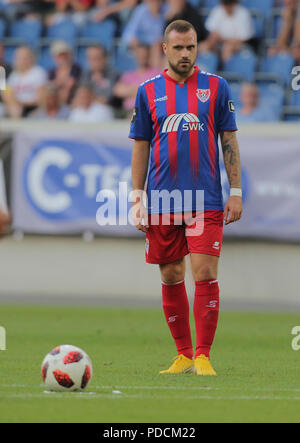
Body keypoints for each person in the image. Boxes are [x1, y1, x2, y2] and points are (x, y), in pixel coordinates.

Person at [130, 20, 242, 376]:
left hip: (206, 197)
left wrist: (235, 192)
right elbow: (141, 146)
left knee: (204, 271)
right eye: (178, 48)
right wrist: (137, 197)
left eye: (191, 47)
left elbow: (229, 140)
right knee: (171, 274)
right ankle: (183, 355)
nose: (185, 54)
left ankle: (204, 355)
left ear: (198, 47)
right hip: (162, 199)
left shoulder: (216, 87)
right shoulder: (148, 91)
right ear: (165, 49)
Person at [113, 43, 161, 116]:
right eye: (139, 55)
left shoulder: (156, 73)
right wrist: (142, 90)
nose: (141, 57)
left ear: (148, 55)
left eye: (144, 55)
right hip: (127, 111)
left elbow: (157, 92)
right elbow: (117, 91)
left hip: (147, 111)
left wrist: (130, 90)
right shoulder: (128, 75)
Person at [3, 45, 47, 118]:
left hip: (33, 108)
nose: (20, 60)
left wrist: (22, 104)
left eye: (24, 58)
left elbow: (41, 99)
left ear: (30, 58)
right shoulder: (14, 75)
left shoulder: (38, 73)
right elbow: (7, 94)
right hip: (16, 108)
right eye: (18, 58)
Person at [48, 40, 82, 105]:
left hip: (72, 102)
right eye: (59, 55)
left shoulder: (76, 69)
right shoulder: (52, 72)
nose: (63, 58)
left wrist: (59, 83)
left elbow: (69, 86)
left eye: (64, 55)